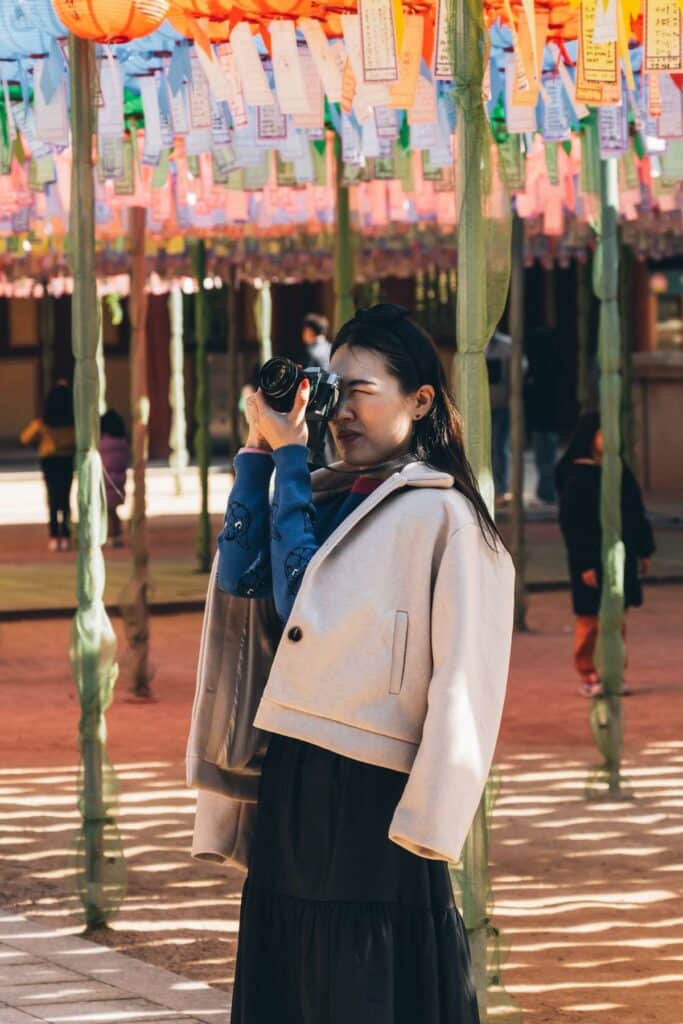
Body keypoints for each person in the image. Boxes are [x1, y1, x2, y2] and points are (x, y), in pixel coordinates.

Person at [187, 304, 515, 1023]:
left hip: (375, 794)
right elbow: (244, 582)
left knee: (358, 988)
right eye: (330, 389)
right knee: (294, 982)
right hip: (295, 777)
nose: (340, 411)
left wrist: (435, 811)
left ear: (419, 399)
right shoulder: (328, 497)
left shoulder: (444, 518)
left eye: (359, 390)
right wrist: (255, 458)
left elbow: (466, 678)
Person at [555, 412, 655, 698]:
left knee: (617, 618)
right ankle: (588, 672)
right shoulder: (578, 474)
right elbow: (573, 525)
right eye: (603, 433)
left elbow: (636, 512)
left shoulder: (619, 469)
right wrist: (585, 562)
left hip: (622, 555)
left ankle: (614, 671)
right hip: (590, 558)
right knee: (591, 619)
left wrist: (644, 549)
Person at [20, 381, 75, 551]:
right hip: (66, 458)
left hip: (49, 461)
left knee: (52, 496)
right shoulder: (73, 421)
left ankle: (53, 535)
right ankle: (65, 534)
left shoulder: (43, 422)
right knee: (65, 496)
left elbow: (24, 438)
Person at [524, 326, 560, 505]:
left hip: (542, 420)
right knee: (546, 458)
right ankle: (546, 492)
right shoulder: (552, 366)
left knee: (545, 458)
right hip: (548, 419)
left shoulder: (539, 369)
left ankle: (547, 493)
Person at [485, 326, 511, 503]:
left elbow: (518, 371)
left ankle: (501, 488)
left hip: (502, 403)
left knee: (499, 447)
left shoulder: (507, 345)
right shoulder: (472, 344)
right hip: (482, 403)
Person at [100, 409, 130, 548]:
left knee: (108, 512)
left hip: (106, 481)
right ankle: (116, 534)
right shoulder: (122, 442)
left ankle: (112, 534)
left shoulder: (103, 443)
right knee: (113, 511)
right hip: (119, 480)